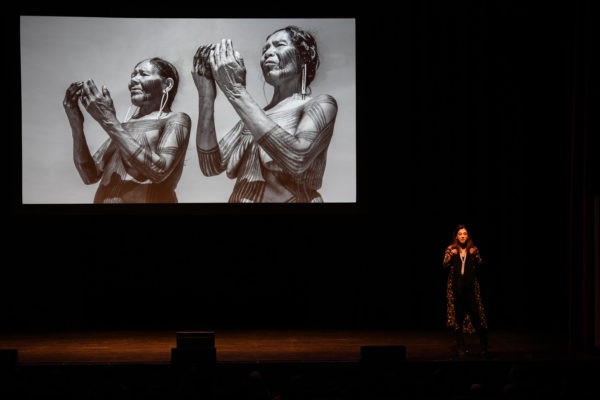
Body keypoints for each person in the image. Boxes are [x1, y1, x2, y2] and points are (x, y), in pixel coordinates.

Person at [192, 25, 338, 202]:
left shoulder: (320, 104)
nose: (268, 52)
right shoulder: (255, 117)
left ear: (306, 56)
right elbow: (210, 166)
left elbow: (297, 158)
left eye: (279, 45)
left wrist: (235, 91)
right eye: (265, 49)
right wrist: (206, 97)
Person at [63, 58, 191, 203]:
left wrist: (108, 120)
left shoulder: (176, 120)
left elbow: (159, 171)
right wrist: (76, 123)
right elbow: (89, 175)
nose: (134, 80)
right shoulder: (122, 128)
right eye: (133, 75)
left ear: (167, 84)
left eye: (143, 74)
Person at [443, 224, 489, 357]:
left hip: (470, 288)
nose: (462, 236)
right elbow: (444, 264)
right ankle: (461, 347)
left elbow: (480, 263)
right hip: (456, 288)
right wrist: (450, 256)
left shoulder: (473, 249)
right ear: (456, 236)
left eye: (465, 233)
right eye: (460, 234)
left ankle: (483, 345)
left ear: (467, 235)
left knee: (475, 315)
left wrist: (475, 255)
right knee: (458, 317)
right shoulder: (451, 249)